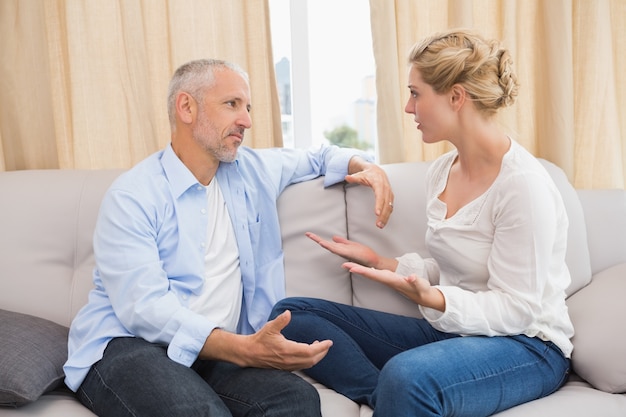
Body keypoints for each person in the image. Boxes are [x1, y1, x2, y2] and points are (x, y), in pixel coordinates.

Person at [63, 58, 394, 417]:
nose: (247, 120)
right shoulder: (133, 196)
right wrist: (242, 348)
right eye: (232, 104)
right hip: (128, 346)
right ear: (187, 107)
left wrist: (364, 166)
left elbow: (320, 158)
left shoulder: (252, 171)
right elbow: (144, 308)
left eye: (248, 107)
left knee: (296, 400)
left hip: (216, 353)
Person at [270, 29, 574, 417]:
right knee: (292, 315)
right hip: (456, 331)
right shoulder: (443, 171)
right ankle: (387, 400)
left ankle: (400, 395)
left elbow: (520, 309)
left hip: (528, 346)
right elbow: (453, 268)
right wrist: (379, 261)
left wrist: (435, 299)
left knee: (408, 376)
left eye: (416, 93)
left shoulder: (523, 187)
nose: (408, 108)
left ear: (456, 97)